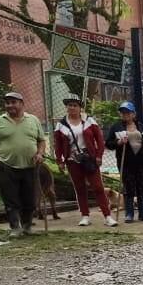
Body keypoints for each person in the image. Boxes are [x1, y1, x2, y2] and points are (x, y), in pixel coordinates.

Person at [0, 90, 48, 237]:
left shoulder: (33, 120)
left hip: (30, 166)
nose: (10, 105)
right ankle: (15, 228)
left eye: (13, 102)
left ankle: (27, 227)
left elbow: (41, 140)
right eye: (7, 103)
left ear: (22, 104)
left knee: (30, 199)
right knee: (10, 199)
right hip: (7, 166)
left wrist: (40, 153)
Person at [53, 94, 116, 227]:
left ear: (80, 108)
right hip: (72, 159)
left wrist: (99, 155)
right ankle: (85, 215)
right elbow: (57, 144)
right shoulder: (61, 124)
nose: (72, 108)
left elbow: (99, 139)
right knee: (80, 188)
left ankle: (107, 216)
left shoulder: (89, 121)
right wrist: (60, 160)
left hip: (89, 158)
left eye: (75, 105)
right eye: (69, 105)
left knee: (98, 187)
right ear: (66, 107)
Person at [106, 101, 143, 223]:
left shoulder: (141, 126)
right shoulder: (116, 127)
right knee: (128, 187)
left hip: (142, 162)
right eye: (123, 113)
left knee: (142, 187)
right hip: (126, 162)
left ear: (134, 114)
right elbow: (108, 144)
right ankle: (129, 214)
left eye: (128, 112)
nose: (125, 115)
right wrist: (119, 142)